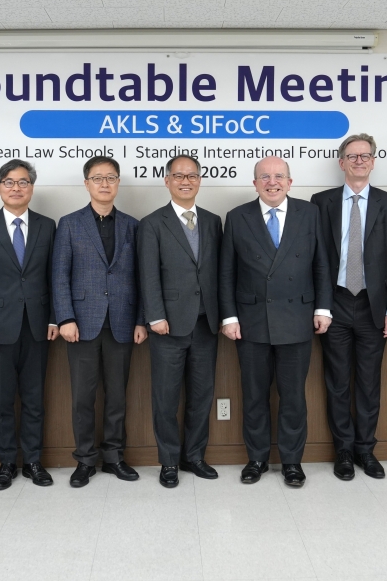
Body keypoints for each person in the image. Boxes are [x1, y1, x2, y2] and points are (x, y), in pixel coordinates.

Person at [220, 156, 332, 487]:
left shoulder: (310, 213)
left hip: (297, 318)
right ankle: (256, 459)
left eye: (279, 176)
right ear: (255, 183)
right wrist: (229, 316)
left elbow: (322, 265)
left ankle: (292, 462)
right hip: (250, 320)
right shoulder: (237, 216)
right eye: (265, 177)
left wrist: (323, 309)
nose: (272, 182)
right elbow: (226, 272)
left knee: (293, 396)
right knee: (254, 395)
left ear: (290, 182)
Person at [311, 134, 387, 481]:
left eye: (365, 156)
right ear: (342, 162)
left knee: (368, 382)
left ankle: (366, 449)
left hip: (372, 305)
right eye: (352, 156)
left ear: (373, 162)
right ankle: (344, 452)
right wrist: (320, 306)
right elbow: (317, 259)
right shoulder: (321, 202)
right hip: (334, 302)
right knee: (337, 382)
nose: (359, 161)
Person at [52, 156, 148, 488]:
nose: (104, 183)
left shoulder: (133, 225)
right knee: (83, 396)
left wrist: (141, 320)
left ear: (118, 183)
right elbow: (60, 275)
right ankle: (84, 459)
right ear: (86, 183)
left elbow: (141, 278)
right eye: (97, 178)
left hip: (123, 322)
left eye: (110, 178)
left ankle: (114, 457)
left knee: (117, 396)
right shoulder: (69, 223)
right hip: (81, 324)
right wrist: (65, 317)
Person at [0, 159, 58, 490]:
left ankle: (33, 461)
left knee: (34, 399)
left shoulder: (48, 226)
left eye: (23, 182)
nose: (16, 188)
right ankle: (6, 462)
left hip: (38, 326)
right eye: (9, 182)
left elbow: (54, 276)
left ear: (31, 188)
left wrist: (54, 317)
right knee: (2, 401)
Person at [138, 154, 222, 488]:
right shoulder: (152, 223)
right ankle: (169, 461)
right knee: (166, 398)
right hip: (168, 325)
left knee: (202, 395)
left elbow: (219, 272)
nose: (185, 181)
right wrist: (155, 315)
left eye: (191, 176)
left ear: (199, 180)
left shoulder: (213, 221)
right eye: (178, 176)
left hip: (206, 324)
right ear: (167, 181)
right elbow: (147, 274)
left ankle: (194, 456)